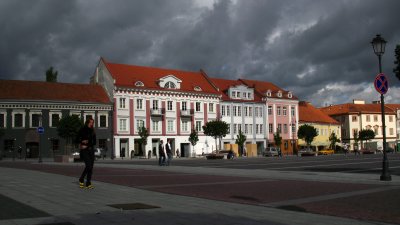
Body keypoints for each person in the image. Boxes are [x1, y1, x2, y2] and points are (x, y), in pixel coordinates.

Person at [77, 118, 96, 189]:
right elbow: (76, 139)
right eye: (91, 122)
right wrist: (82, 141)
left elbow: (94, 142)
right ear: (87, 122)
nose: (92, 124)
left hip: (91, 150)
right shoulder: (82, 129)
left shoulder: (93, 131)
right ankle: (82, 179)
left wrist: (87, 143)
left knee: (91, 167)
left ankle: (88, 182)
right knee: (88, 166)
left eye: (92, 122)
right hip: (84, 151)